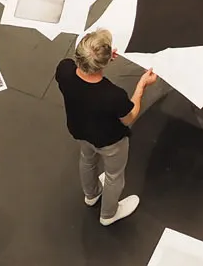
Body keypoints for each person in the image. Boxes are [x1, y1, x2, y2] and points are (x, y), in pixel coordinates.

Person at [56, 29, 156, 225]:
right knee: (113, 175)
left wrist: (101, 59)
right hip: (109, 141)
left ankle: (91, 194)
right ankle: (109, 214)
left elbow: (78, 69)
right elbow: (130, 117)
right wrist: (141, 87)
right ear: (106, 60)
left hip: (79, 130)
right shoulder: (112, 95)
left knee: (87, 159)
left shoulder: (64, 70)